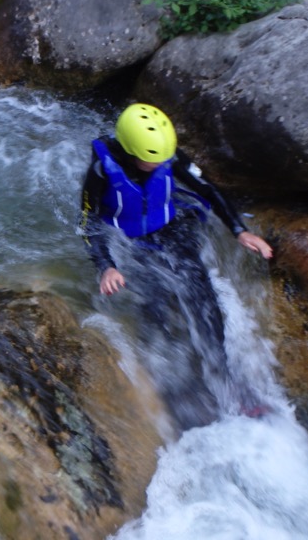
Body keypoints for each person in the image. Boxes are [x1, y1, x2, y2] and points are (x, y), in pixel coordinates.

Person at [79, 103, 273, 427]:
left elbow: (207, 189)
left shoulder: (168, 156)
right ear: (129, 151)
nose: (158, 165)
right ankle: (171, 382)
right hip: (128, 239)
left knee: (200, 291)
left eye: (161, 158)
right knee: (153, 300)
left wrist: (239, 230)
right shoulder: (101, 172)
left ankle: (224, 375)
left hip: (171, 226)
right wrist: (106, 266)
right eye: (149, 159)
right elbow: (88, 223)